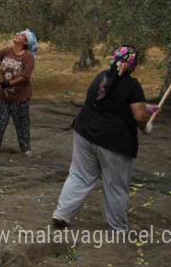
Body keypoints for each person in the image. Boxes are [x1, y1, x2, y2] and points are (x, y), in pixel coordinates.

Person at [52, 45, 160, 232]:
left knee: (79, 176)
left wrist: (145, 106)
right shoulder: (132, 85)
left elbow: (112, 101)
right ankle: (118, 228)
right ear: (133, 66)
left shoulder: (101, 76)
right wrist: (146, 126)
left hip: (84, 133)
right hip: (113, 142)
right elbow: (139, 117)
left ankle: (62, 214)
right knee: (116, 185)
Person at [0, 29, 38, 157]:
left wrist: (9, 83)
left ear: (25, 42)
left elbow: (25, 76)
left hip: (20, 97)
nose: (17, 34)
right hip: (3, 96)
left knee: (22, 125)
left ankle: (25, 149)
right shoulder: (6, 51)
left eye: (21, 35)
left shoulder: (28, 57)